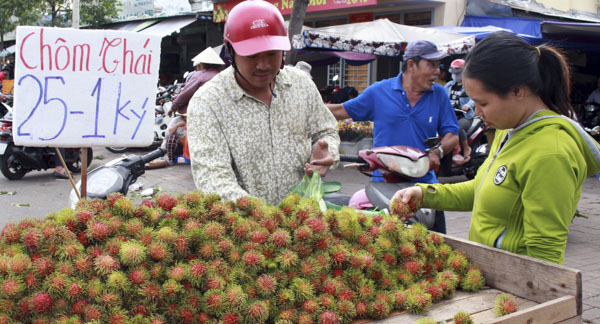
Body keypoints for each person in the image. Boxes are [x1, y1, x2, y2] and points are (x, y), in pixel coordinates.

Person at [390, 32, 600, 264]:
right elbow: (482, 190)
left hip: (514, 289)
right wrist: (423, 194)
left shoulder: (551, 153)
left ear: (517, 91)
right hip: (487, 275)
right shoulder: (508, 130)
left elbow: (545, 255)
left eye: (484, 103)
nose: (477, 113)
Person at [186, 0, 340, 205]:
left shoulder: (301, 85)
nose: (263, 65)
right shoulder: (208, 103)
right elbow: (213, 179)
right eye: (251, 56)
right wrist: (264, 217)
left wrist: (327, 151)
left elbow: (326, 131)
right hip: (246, 228)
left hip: (304, 218)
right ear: (230, 50)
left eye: (272, 54)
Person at [328, 39, 460, 233]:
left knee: (438, 243)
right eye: (431, 65)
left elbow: (452, 134)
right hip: (385, 187)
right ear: (411, 65)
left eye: (438, 65)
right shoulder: (379, 92)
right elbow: (340, 111)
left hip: (425, 186)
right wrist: (307, 105)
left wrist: (438, 151)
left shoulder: (439, 95)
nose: (437, 72)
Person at [168, 47, 226, 117]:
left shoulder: (199, 75)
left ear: (203, 64)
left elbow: (186, 93)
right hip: (221, 111)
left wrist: (173, 107)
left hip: (200, 111)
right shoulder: (223, 76)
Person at [445, 58, 475, 164]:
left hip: (465, 116)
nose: (455, 75)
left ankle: (466, 148)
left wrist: (467, 105)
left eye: (458, 72)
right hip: (450, 115)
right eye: (453, 72)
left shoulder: (468, 85)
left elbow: (473, 98)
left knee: (457, 127)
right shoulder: (449, 85)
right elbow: (442, 97)